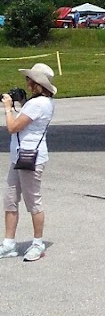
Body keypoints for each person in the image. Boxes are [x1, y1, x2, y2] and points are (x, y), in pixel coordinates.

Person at [1, 63, 56, 261]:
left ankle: (37, 243)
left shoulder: (39, 104)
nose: (27, 82)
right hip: (19, 156)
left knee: (33, 202)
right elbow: (25, 122)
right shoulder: (39, 102)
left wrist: (8, 108)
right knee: (10, 199)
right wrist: (20, 104)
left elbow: (13, 127)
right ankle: (9, 243)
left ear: (36, 83)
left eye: (29, 80)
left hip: (30, 158)